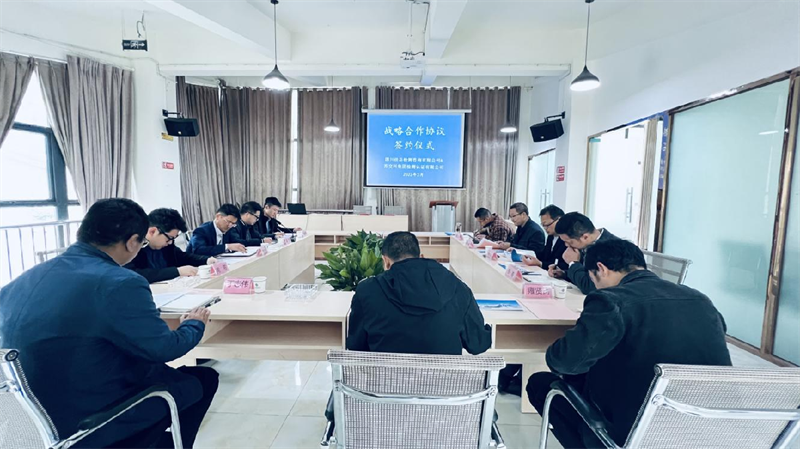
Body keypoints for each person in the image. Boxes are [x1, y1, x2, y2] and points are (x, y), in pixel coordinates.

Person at [0, 198, 218, 449]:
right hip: (86, 422)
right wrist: (194, 324)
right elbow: (165, 349)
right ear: (132, 241)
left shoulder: (21, 280)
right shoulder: (121, 282)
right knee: (199, 381)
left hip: (28, 423)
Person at [526, 239, 731, 449]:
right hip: (707, 428)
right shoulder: (700, 300)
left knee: (540, 384)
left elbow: (564, 362)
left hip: (636, 432)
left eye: (592, 279)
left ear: (601, 269)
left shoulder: (611, 300)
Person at [322, 231, 493, 442]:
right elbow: (478, 344)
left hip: (381, 404)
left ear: (386, 261)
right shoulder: (458, 288)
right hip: (443, 405)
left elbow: (356, 349)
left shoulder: (367, 291)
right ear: (421, 257)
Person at [125, 208, 217, 284]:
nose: (170, 243)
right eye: (169, 238)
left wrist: (206, 260)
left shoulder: (167, 245)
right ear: (152, 231)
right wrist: (177, 272)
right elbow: (134, 274)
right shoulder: (132, 247)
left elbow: (182, 257)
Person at [551, 212, 618, 294]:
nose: (566, 245)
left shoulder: (612, 249)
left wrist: (573, 263)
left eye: (569, 242)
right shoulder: (587, 243)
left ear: (585, 237)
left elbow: (590, 286)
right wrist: (564, 274)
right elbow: (585, 274)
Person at [521, 204, 569, 272]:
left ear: (559, 220)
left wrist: (541, 264)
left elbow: (564, 265)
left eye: (547, 225)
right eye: (543, 225)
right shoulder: (551, 236)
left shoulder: (568, 239)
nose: (545, 228)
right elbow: (545, 256)